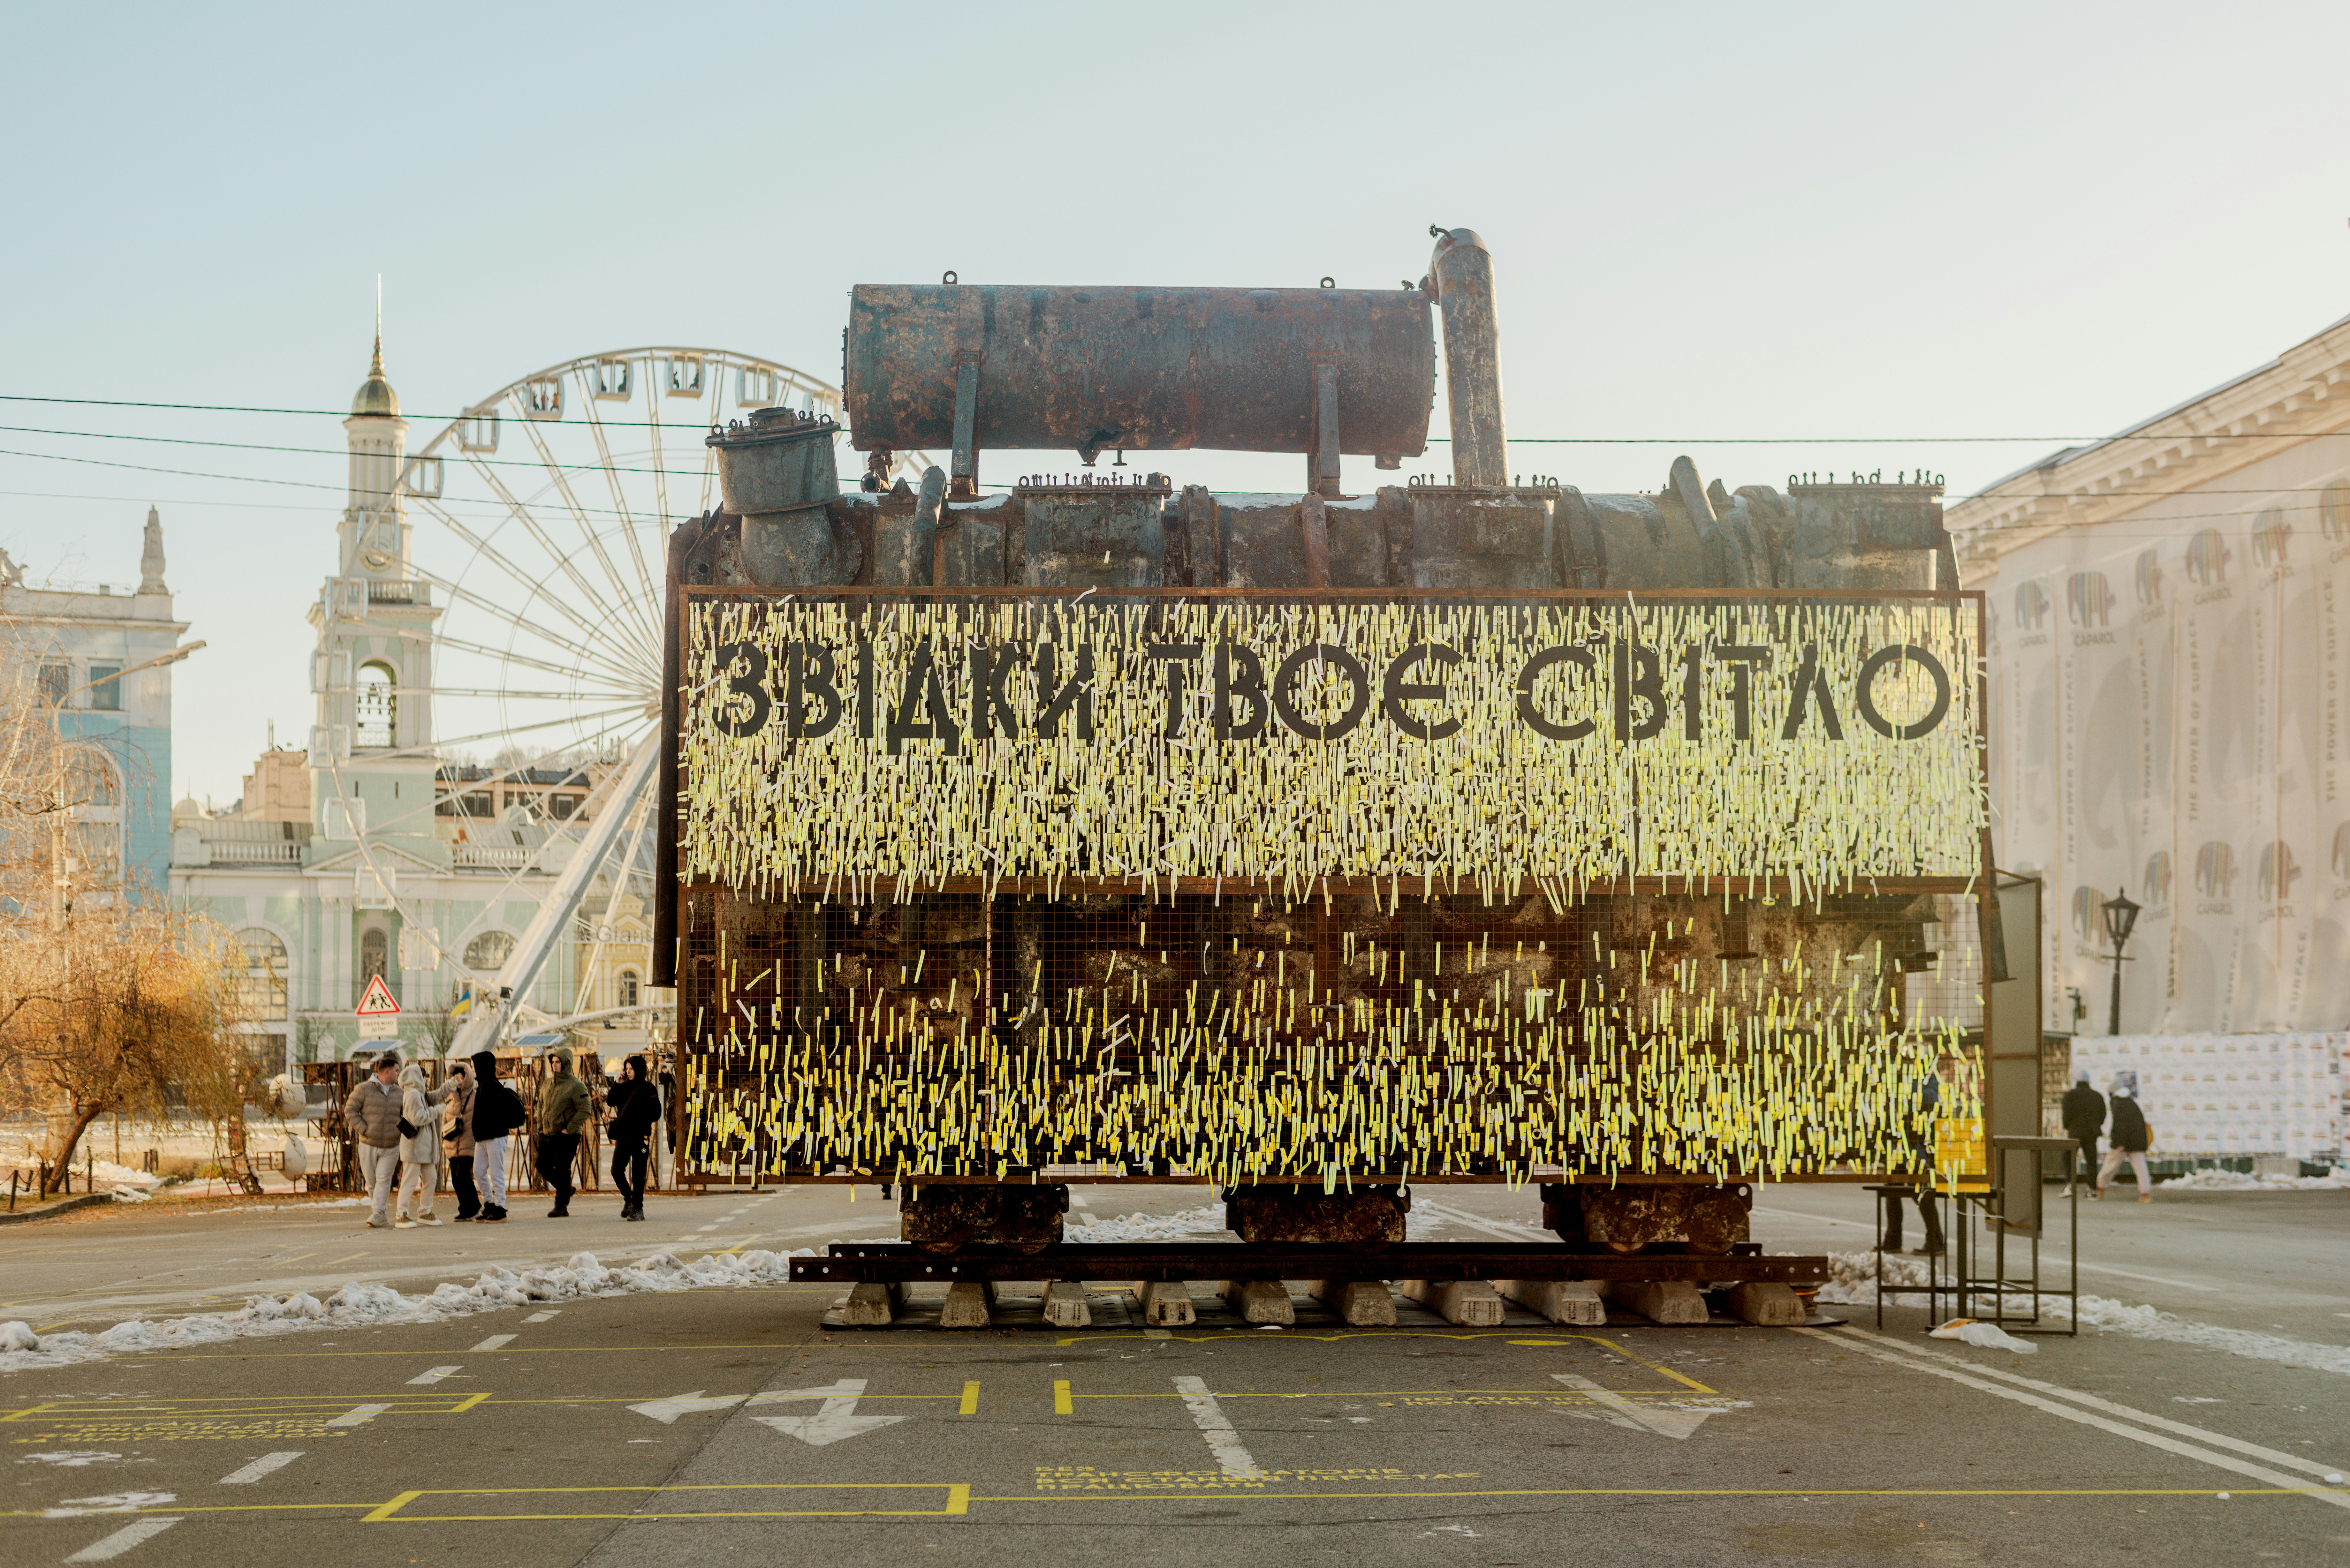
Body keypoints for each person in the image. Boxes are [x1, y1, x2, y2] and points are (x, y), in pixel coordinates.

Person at [1880, 1058, 1946, 1256]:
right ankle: (1893, 1240)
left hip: (1917, 1146)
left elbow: (1930, 1101)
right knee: (1892, 1191)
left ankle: (1936, 1241)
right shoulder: (1893, 1076)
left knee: (1921, 1193)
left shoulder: (1926, 1078)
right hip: (1897, 1144)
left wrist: (1906, 1097)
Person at [342, 1051, 406, 1228]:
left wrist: (400, 1133)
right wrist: (364, 1130)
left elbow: (406, 1115)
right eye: (397, 1071)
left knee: (384, 1179)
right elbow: (350, 1111)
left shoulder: (400, 1093)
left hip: (392, 1145)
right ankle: (381, 1213)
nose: (398, 1074)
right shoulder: (363, 1089)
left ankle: (378, 1212)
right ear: (386, 1072)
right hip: (368, 1143)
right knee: (371, 1181)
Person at [467, 1050, 526, 1223]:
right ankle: (489, 1204)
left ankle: (500, 1207)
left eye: (474, 1066)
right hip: (484, 1137)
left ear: (481, 1067)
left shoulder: (490, 1085)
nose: (473, 1070)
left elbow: (493, 1112)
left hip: (495, 1136)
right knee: (479, 1171)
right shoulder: (485, 1085)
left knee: (496, 1172)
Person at [393, 1062, 452, 1228]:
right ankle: (402, 1214)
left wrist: (451, 1085)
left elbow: (436, 1096)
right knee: (409, 1181)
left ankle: (425, 1212)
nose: (426, 1079)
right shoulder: (412, 1095)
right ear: (416, 1078)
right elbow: (418, 1118)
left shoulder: (420, 1094)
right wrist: (436, 1112)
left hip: (423, 1147)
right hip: (415, 1146)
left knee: (431, 1179)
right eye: (423, 1076)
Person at [534, 1046, 591, 1218]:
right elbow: (542, 1105)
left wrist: (570, 1129)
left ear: (566, 1064)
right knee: (542, 1165)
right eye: (553, 1062)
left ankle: (561, 1206)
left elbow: (586, 1109)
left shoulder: (576, 1086)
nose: (555, 1065)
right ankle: (567, 1189)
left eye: (558, 1062)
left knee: (561, 1167)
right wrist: (541, 1128)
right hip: (548, 1133)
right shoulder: (548, 1083)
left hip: (568, 1135)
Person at [605, 1054, 660, 1221]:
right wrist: (617, 1084)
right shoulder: (623, 1086)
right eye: (627, 1069)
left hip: (640, 1137)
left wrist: (641, 1120)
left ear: (639, 1069)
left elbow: (657, 1112)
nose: (628, 1072)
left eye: (631, 1069)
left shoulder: (648, 1089)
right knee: (616, 1170)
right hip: (623, 1137)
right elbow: (610, 1101)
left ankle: (638, 1209)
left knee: (638, 1174)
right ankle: (629, 1199)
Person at [2098, 1083, 2156, 1202]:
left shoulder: (2118, 1104)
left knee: (2110, 1166)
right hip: (2137, 1142)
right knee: (2141, 1169)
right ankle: (2146, 1195)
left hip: (2122, 1143)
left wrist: (2119, 1143)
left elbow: (2120, 1125)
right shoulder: (2132, 1103)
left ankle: (2100, 1189)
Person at [2061, 1068, 2106, 1198]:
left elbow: (2067, 1114)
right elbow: (2103, 1114)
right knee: (2091, 1161)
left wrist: (2067, 1126)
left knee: (2068, 1158)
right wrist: (2097, 1125)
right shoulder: (2097, 1096)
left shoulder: (2071, 1095)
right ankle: (2092, 1189)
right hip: (2092, 1133)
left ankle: (2070, 1185)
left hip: (2075, 1132)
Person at [442, 1061, 479, 1221]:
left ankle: (475, 1206)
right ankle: (465, 1208)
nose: (458, 1081)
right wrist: (445, 1133)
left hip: (469, 1142)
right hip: (452, 1143)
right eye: (455, 1078)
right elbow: (444, 1119)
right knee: (456, 1180)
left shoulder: (476, 1096)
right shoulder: (450, 1098)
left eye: (461, 1077)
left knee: (463, 1174)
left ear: (468, 1078)